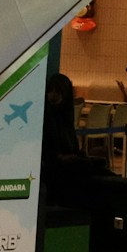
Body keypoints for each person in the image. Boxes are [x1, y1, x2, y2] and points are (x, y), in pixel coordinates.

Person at [41, 73, 89, 205]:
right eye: (50, 91)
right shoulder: (46, 118)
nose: (53, 95)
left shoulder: (64, 119)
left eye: (57, 91)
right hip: (55, 169)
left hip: (65, 165)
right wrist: (60, 157)